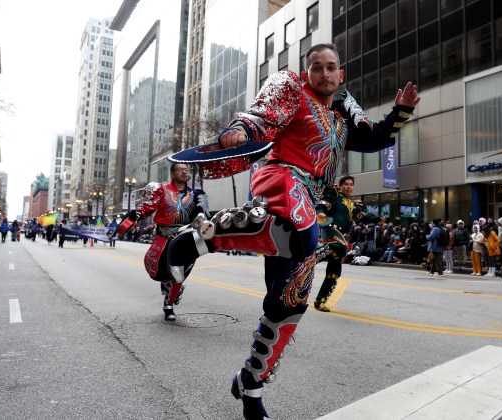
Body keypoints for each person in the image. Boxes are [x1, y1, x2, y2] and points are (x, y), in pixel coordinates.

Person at [166, 43, 419, 420]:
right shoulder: (291, 89)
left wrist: (401, 112)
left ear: (341, 74)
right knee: (304, 233)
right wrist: (239, 130)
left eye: (331, 67)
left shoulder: (340, 118)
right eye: (316, 67)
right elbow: (261, 116)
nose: (324, 73)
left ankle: (250, 385)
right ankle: (199, 238)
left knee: (291, 300)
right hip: (282, 179)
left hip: (307, 199)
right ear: (307, 71)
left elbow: (375, 138)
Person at [125, 163, 210, 321]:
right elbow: (148, 206)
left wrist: (201, 217)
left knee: (179, 272)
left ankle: (168, 305)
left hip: (185, 237)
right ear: (172, 173)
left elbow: (202, 213)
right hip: (163, 237)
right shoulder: (161, 190)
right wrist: (136, 214)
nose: (184, 172)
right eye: (180, 169)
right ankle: (171, 292)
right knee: (163, 272)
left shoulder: (197, 194)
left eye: (186, 170)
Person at [313, 176, 384, 312]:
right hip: (331, 231)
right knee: (338, 247)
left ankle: (320, 301)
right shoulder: (334, 195)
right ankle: (312, 256)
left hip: (343, 238)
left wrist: (377, 218)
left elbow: (362, 216)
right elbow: (322, 204)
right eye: (346, 184)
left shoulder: (353, 204)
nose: (349, 187)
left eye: (351, 185)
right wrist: (321, 212)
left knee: (334, 272)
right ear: (341, 186)